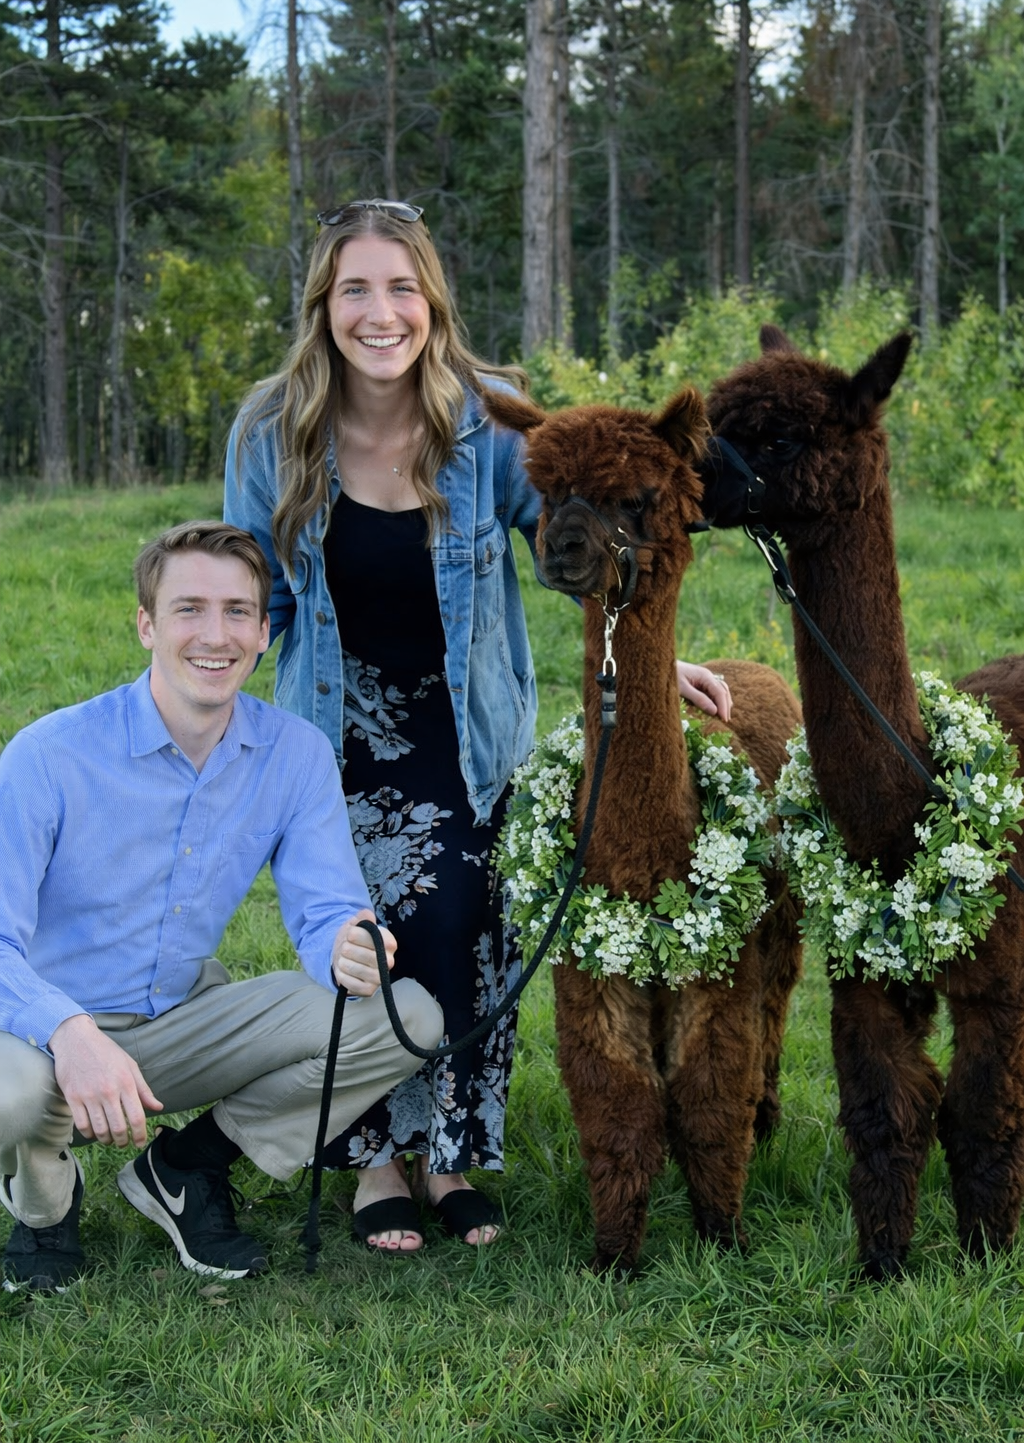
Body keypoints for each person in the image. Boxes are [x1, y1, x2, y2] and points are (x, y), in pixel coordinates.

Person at [225, 198, 733, 1254]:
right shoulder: (270, 432)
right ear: (324, 306)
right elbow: (252, 592)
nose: (380, 313)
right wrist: (207, 703)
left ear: (432, 301)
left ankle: (448, 1154)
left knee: (463, 927)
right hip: (337, 741)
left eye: (401, 288)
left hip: (468, 736)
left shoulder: (484, 420)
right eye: (356, 289)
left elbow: (572, 542)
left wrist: (653, 657)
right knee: (367, 942)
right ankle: (373, 1166)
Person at [0, 520, 443, 1292]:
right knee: (12, 1095)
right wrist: (68, 1031)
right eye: (189, 609)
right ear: (146, 625)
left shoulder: (294, 751)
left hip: (176, 1021)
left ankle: (185, 1166)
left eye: (239, 611)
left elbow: (325, 904)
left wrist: (347, 938)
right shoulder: (47, 755)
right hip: (41, 1032)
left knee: (407, 1019)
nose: (217, 634)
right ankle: (44, 1208)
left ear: (266, 631)